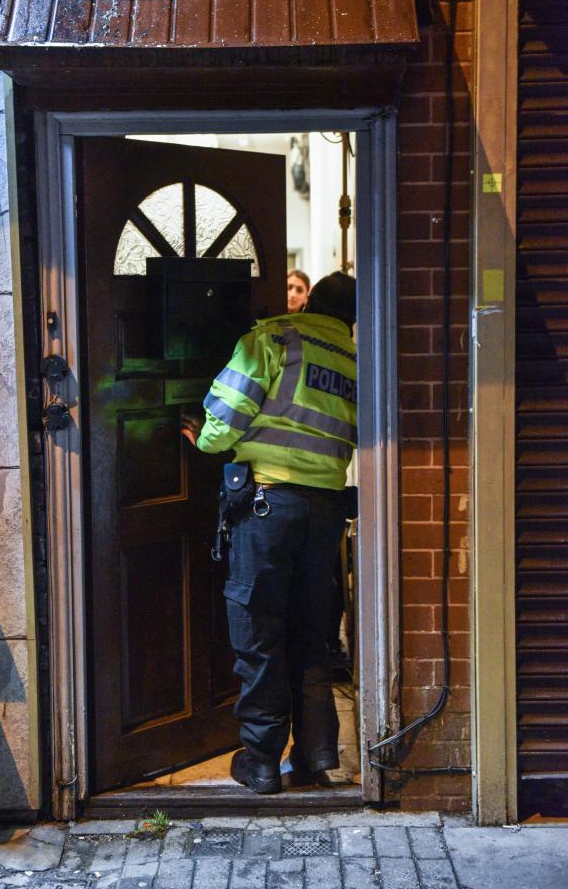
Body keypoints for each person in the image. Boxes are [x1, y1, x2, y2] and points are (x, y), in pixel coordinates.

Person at [183, 272, 357, 794]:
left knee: (259, 631)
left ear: (312, 305)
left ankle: (259, 761)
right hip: (326, 513)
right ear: (349, 317)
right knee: (312, 632)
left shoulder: (275, 338)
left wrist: (204, 437)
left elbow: (224, 421)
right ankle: (317, 753)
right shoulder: (356, 361)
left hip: (267, 506)